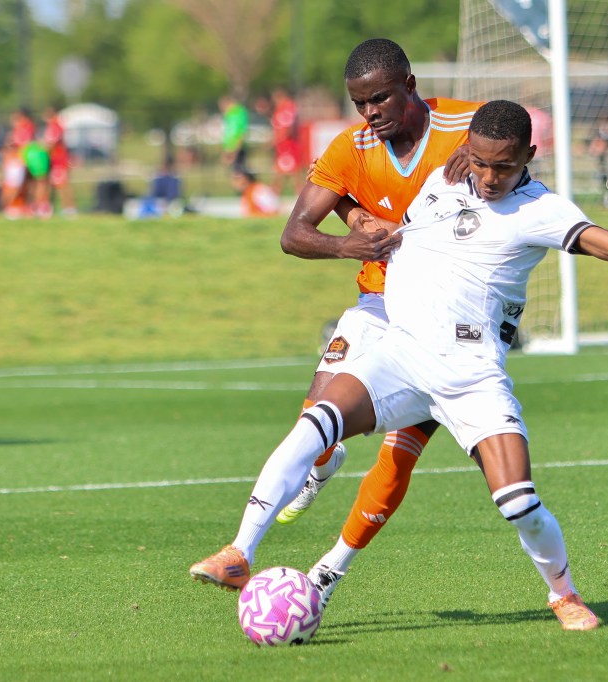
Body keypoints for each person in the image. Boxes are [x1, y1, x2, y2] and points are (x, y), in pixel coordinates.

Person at [189, 100, 608, 630]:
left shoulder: (540, 209)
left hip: (471, 375)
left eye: (505, 167)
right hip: (402, 352)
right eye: (483, 163)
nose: (490, 178)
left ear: (528, 158)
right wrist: (364, 224)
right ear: (468, 150)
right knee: (314, 425)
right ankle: (241, 551)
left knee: (518, 500)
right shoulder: (446, 175)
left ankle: (563, 593)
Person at [190, 37, 478, 580]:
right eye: (360, 104)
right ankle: (239, 551)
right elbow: (293, 234)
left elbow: (513, 130)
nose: (371, 114)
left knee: (402, 451)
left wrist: (482, 149)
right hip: (377, 304)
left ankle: (330, 572)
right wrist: (351, 239)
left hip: (449, 320)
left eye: (382, 100)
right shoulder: (353, 147)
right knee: (313, 415)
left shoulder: (464, 126)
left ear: (411, 87)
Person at [42, 105, 77, 216]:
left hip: (59, 161)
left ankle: (69, 209)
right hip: (56, 160)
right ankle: (58, 208)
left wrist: (43, 150)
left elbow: (51, 144)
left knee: (62, 185)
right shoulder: (55, 125)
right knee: (56, 185)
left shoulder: (55, 126)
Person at [269, 87, 304, 197]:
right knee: (281, 169)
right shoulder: (280, 108)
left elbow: (288, 127)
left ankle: (299, 193)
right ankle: (275, 193)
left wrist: (278, 139)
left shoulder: (287, 107)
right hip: (282, 144)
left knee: (293, 171)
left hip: (288, 144)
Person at [219, 94, 249, 170]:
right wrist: (226, 149)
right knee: (236, 171)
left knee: (240, 171)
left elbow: (241, 131)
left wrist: (236, 149)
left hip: (237, 147)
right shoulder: (229, 114)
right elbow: (229, 132)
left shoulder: (239, 112)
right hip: (231, 147)